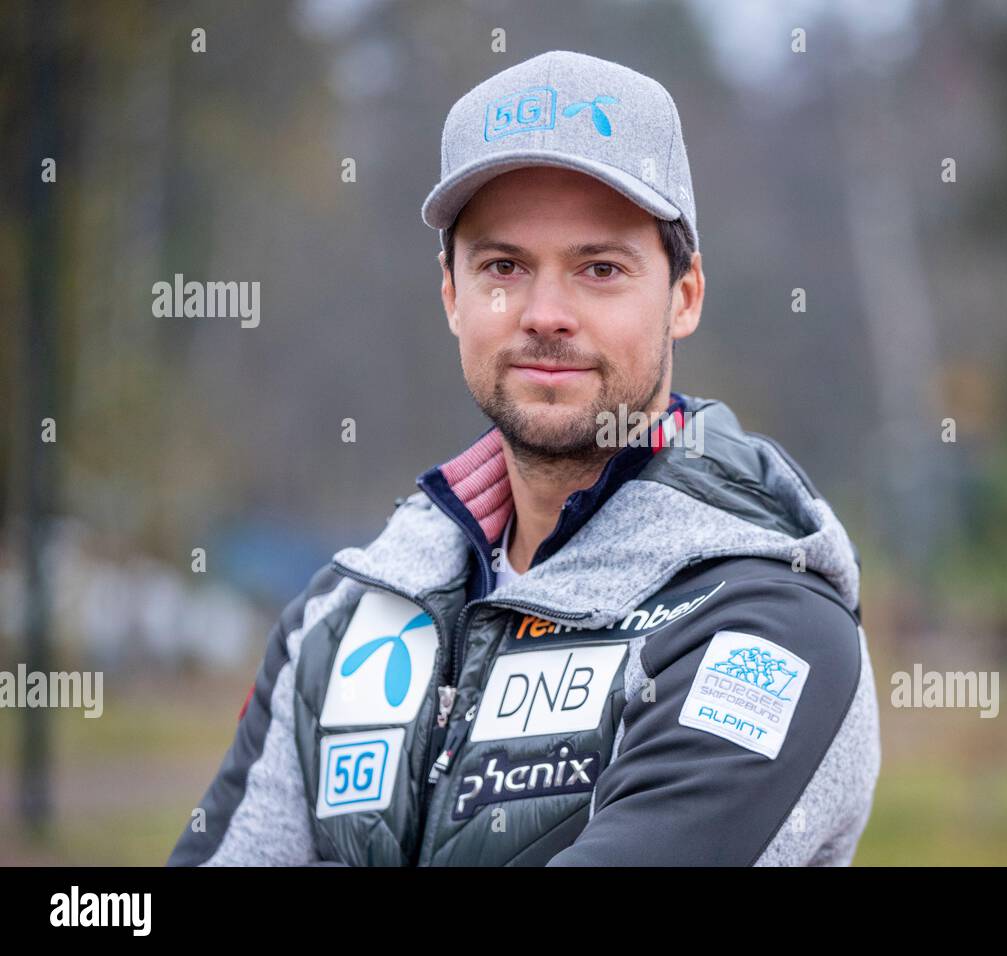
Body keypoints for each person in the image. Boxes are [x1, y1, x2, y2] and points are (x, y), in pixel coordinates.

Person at [168, 49, 880, 867]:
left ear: (683, 298)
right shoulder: (343, 618)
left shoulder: (768, 630)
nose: (545, 314)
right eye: (504, 267)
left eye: (600, 269)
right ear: (452, 296)